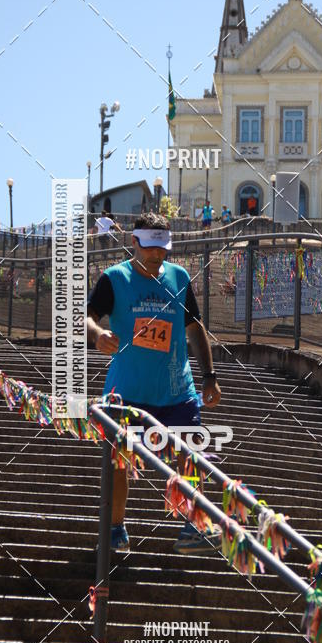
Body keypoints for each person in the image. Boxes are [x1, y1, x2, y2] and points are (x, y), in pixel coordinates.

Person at [86, 211, 223, 553]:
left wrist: (209, 376)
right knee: (120, 463)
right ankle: (115, 529)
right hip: (127, 392)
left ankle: (194, 527)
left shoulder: (178, 277)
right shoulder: (114, 278)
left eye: (162, 248)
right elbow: (87, 317)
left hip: (178, 389)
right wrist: (98, 334)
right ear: (134, 243)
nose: (157, 254)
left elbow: (194, 328)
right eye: (150, 248)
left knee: (190, 455)